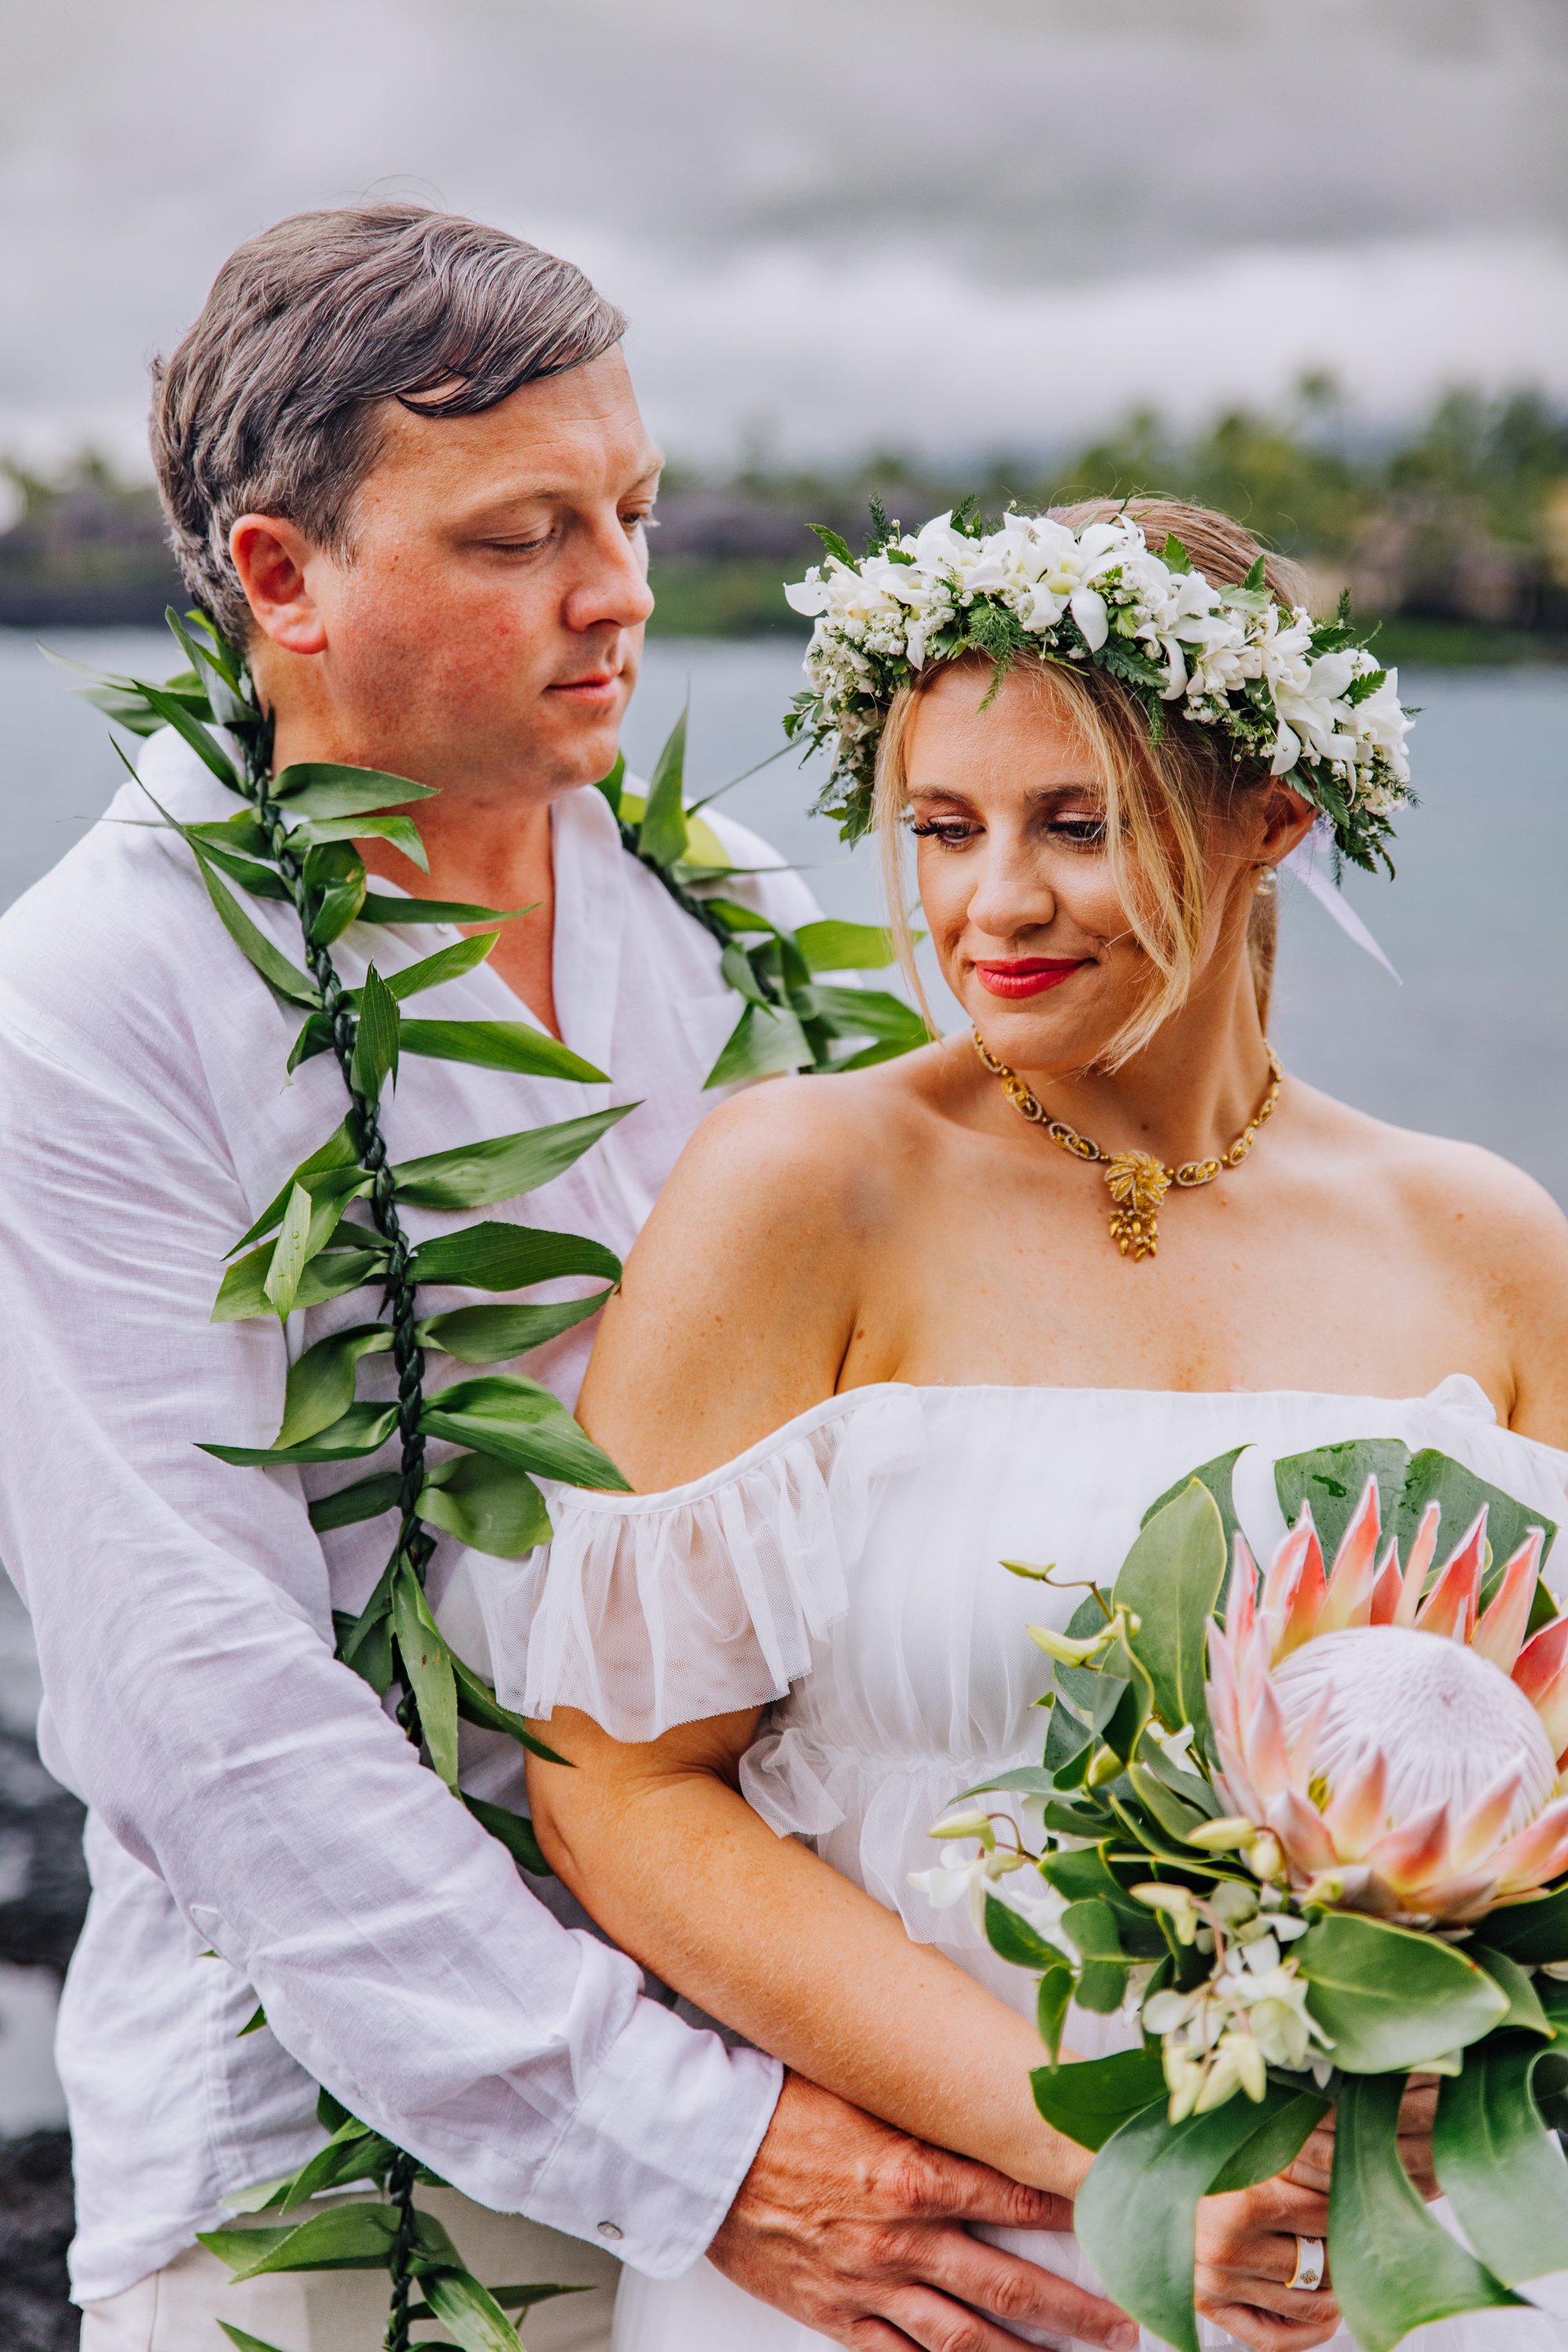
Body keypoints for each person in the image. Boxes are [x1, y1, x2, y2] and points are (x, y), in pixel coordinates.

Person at [0, 207, 1137, 2352]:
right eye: (522, 535)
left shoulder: (733, 913)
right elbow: (204, 1708)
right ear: (278, 578)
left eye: (624, 507)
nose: (621, 589)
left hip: (823, 2046)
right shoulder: (96, 1001)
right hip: (333, 2187)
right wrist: (701, 2153)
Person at [506, 496, 1568, 2352]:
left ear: (1273, 818)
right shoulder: (800, 1188)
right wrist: (1120, 2159)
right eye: (942, 827)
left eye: (1076, 825)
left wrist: (1476, 2058)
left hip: (1389, 2263)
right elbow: (615, 1785)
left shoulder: (1482, 1238)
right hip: (944, 2257)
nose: (990, 904)